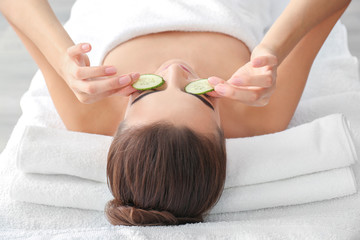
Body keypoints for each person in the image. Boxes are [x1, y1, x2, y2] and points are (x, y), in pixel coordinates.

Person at [0, 0, 351, 226]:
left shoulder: (88, 112)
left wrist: (62, 60)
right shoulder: (255, 114)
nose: (174, 70)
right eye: (199, 96)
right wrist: (272, 51)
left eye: (144, 92)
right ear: (223, 135)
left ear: (118, 126)